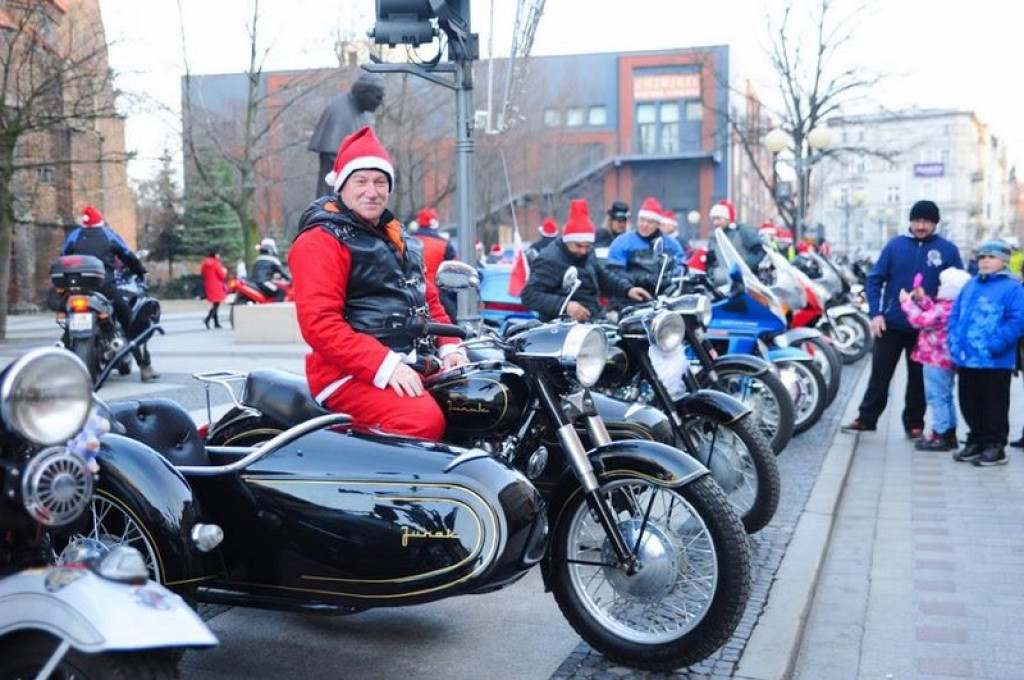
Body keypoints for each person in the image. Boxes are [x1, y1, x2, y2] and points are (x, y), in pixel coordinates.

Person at [289, 125, 467, 440]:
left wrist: (451, 347)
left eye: (380, 181)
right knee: (422, 420)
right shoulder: (321, 240)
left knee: (481, 393)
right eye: (360, 180)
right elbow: (320, 324)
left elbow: (428, 302)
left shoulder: (401, 239)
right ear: (341, 186)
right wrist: (384, 365)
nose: (372, 190)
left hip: (412, 359)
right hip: (345, 373)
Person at [842, 200, 963, 438]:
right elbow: (875, 280)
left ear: (935, 223)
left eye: (926, 221)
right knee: (879, 374)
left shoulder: (947, 250)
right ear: (910, 221)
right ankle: (866, 418)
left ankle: (914, 423)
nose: (920, 226)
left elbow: (958, 285)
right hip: (892, 322)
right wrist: (876, 313)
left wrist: (945, 320)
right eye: (917, 220)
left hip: (926, 329)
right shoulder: (895, 246)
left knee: (918, 379)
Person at [947, 239, 1024, 466]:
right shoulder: (970, 285)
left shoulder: (1012, 288)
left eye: (991, 257)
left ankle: (994, 445)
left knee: (993, 404)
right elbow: (955, 316)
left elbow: (1017, 320)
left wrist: (997, 344)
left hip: (994, 360)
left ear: (1003, 261)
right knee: (969, 402)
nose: (985, 261)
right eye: (981, 257)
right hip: (968, 358)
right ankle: (976, 439)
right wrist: (954, 342)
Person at [61, 205, 160, 381]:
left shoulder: (75, 235)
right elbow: (126, 254)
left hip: (76, 289)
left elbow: (64, 255)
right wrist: (139, 270)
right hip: (104, 287)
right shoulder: (107, 234)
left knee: (66, 325)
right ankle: (145, 366)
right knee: (130, 321)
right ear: (99, 220)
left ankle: (63, 356)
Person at [521, 198, 651, 321]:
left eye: (587, 246)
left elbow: (602, 277)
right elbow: (530, 295)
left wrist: (627, 289)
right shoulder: (550, 260)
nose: (583, 251)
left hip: (593, 319)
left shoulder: (588, 252)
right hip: (562, 328)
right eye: (578, 246)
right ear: (568, 240)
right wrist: (566, 306)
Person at [899, 267, 971, 451]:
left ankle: (940, 433)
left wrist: (907, 303)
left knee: (936, 397)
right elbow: (932, 311)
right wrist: (922, 298)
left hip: (936, 360)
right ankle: (949, 432)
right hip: (945, 360)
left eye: (942, 285)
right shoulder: (953, 306)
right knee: (945, 396)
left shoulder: (945, 309)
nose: (939, 287)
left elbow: (921, 320)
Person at [307, 71, 386, 198]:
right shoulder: (339, 111)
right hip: (337, 195)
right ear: (363, 92)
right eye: (378, 96)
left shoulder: (362, 113)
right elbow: (335, 156)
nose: (380, 102)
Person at [606, 196, 685, 295]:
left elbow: (681, 268)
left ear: (658, 224)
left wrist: (667, 279)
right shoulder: (622, 242)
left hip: (664, 296)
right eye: (642, 220)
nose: (644, 225)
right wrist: (641, 279)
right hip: (630, 296)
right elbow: (614, 272)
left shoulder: (672, 245)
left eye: (650, 222)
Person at [412, 206, 458, 321]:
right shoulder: (444, 245)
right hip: (435, 296)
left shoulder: (407, 241)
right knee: (453, 322)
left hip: (410, 294)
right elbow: (455, 271)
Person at [709, 199, 766, 271]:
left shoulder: (742, 230)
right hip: (722, 279)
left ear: (727, 218)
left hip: (745, 279)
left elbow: (759, 250)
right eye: (713, 219)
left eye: (718, 218)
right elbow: (711, 261)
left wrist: (746, 267)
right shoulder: (714, 237)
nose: (715, 223)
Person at [200, 247, 227, 330]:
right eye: (218, 254)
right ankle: (207, 319)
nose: (219, 256)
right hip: (217, 286)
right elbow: (222, 276)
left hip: (209, 285)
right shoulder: (216, 264)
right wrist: (225, 271)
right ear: (215, 255)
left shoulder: (204, 263)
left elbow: (202, 274)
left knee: (215, 303)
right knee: (217, 304)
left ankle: (216, 323)